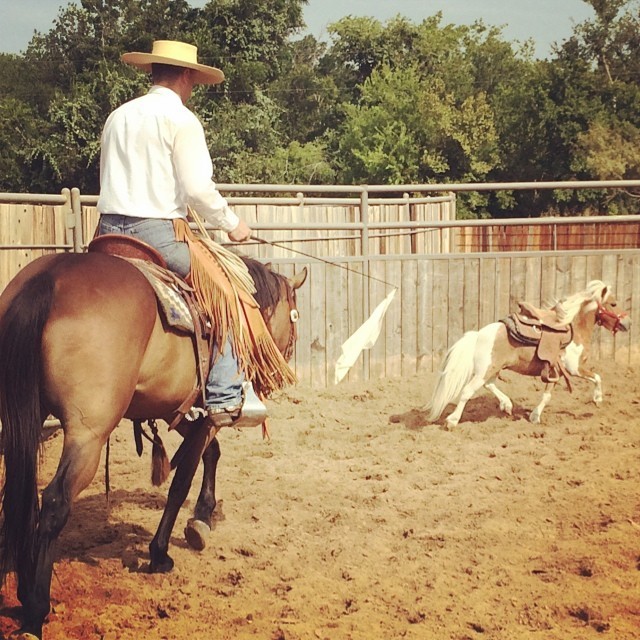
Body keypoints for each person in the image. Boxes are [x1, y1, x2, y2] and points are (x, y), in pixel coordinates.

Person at [96, 40, 287, 429]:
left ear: (154, 72)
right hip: (157, 235)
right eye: (194, 80)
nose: (194, 87)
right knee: (233, 291)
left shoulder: (118, 115)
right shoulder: (181, 120)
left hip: (105, 234)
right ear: (185, 76)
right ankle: (223, 393)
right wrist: (232, 224)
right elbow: (198, 189)